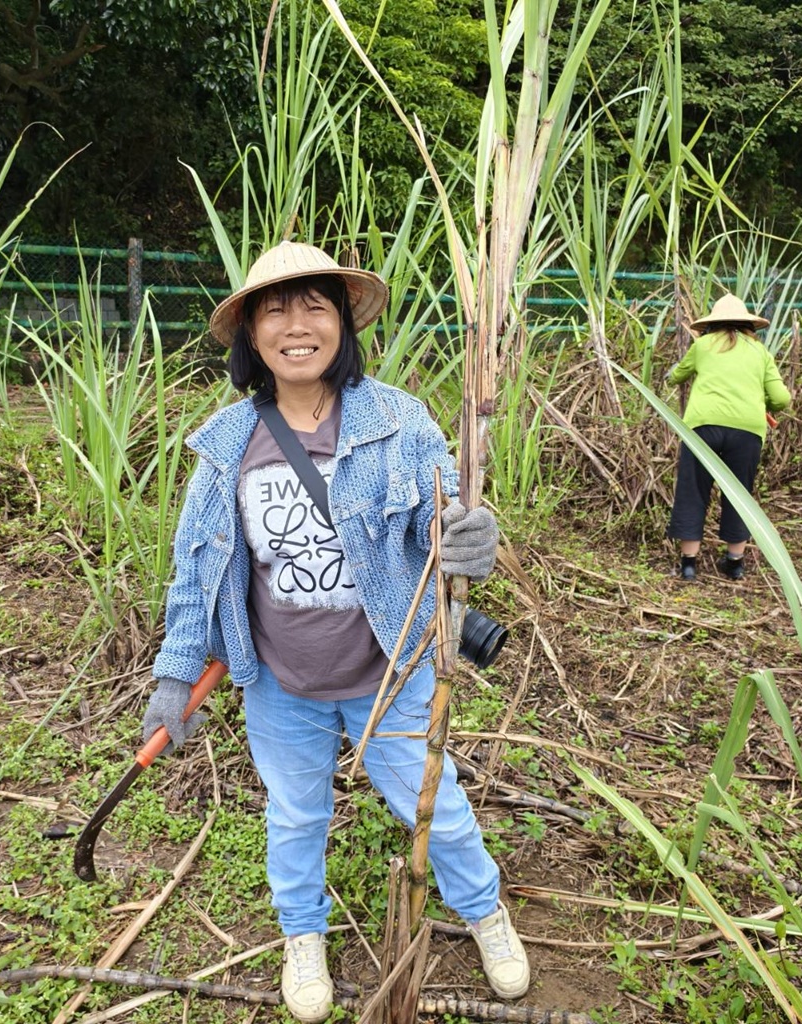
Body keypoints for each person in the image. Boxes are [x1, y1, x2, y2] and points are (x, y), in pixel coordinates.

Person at [142, 241, 530, 1022]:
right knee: (293, 816)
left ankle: (487, 915)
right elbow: (199, 569)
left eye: (314, 305)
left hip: (392, 669)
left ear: (342, 323)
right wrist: (174, 678)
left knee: (436, 806)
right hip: (280, 683)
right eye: (275, 310)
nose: (296, 325)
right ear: (252, 334)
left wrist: (466, 532)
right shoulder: (225, 446)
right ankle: (303, 936)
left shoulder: (398, 419)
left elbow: (441, 510)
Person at [667, 293, 792, 581]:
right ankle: (734, 564)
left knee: (692, 490)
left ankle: (689, 565)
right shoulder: (759, 351)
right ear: (748, 324)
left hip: (702, 428)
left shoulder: (703, 345)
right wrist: (764, 404)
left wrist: (669, 378)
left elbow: (676, 376)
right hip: (747, 431)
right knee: (739, 494)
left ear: (712, 324)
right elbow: (781, 398)